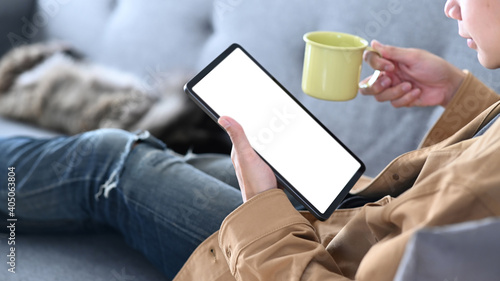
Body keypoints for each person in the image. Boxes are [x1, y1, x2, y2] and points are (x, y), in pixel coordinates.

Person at [1, 0, 500, 280]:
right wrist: (459, 93)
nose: (451, 6)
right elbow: (472, 181)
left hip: (310, 253)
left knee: (112, 163)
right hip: (349, 210)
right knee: (181, 158)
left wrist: (262, 202)